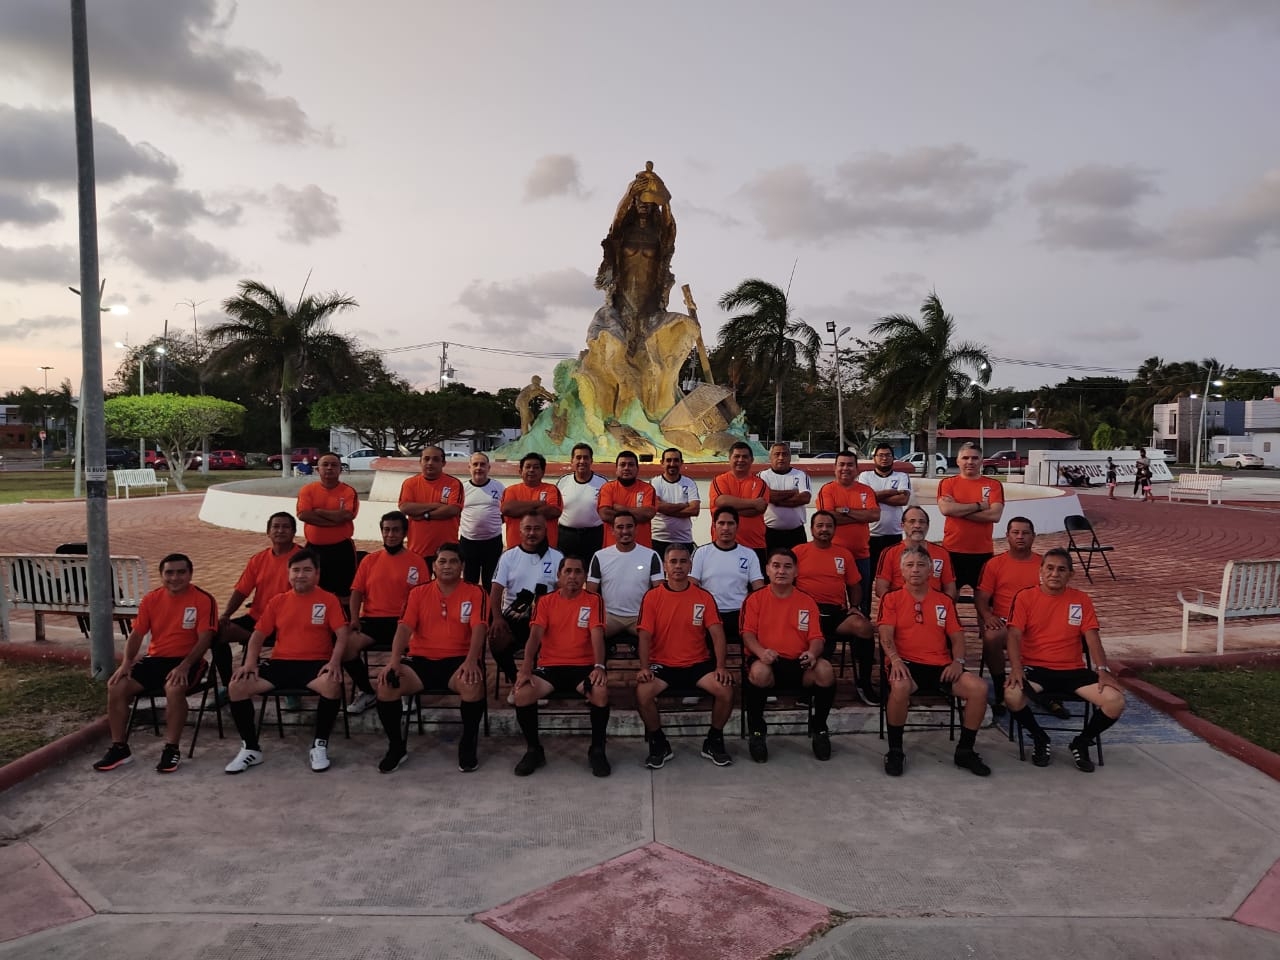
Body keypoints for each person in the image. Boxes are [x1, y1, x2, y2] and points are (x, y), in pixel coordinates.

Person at [223, 549, 351, 774]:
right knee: (237, 687)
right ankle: (251, 749)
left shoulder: (328, 600)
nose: (301, 575)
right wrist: (250, 663)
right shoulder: (277, 601)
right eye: (296, 570)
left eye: (307, 570)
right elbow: (258, 635)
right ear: (289, 574)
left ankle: (319, 745)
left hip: (314, 665)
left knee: (331, 684)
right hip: (280, 664)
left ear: (317, 574)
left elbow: (342, 634)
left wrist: (334, 662)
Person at [1004, 548, 1126, 772]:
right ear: (1040, 571)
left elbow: (1092, 637)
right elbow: (1013, 635)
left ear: (1070, 574)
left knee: (1115, 701)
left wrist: (1102, 669)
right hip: (1037, 669)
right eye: (1049, 568)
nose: (1054, 573)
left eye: (1061, 569)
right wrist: (1015, 667)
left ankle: (1081, 742)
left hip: (1073, 671)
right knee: (1012, 694)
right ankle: (1040, 738)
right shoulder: (1025, 597)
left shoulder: (1081, 599)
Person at [93, 554, 217, 774]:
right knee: (116, 686)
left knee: (175, 687)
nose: (175, 577)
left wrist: (185, 666)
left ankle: (171, 748)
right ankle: (120, 748)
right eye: (169, 572)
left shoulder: (203, 599)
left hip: (188, 660)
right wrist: (126, 664)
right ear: (161, 575)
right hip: (156, 659)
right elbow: (137, 634)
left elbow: (205, 639)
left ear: (190, 574)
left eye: (181, 572)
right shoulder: (151, 599)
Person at [878, 544, 992, 778]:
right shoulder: (891, 599)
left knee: (979, 688)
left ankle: (965, 750)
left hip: (942, 666)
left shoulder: (944, 601)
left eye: (921, 565)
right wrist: (895, 660)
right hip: (907, 663)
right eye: (909, 565)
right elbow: (885, 635)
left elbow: (958, 638)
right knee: (899, 686)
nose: (915, 570)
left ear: (931, 570)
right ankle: (895, 750)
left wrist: (958, 661)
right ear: (902, 571)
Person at [372, 543, 487, 773]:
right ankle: (397, 747)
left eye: (453, 561)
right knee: (386, 685)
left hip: (459, 660)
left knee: (473, 683)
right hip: (420, 662)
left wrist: (472, 660)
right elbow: (404, 629)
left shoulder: (476, 592)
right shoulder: (418, 593)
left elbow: (479, 628)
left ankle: (467, 744)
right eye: (442, 561)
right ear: (434, 566)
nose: (447, 566)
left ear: (462, 566)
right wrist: (394, 660)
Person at [635, 543, 735, 767]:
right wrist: (644, 667)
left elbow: (718, 635)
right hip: (663, 665)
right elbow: (644, 636)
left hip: (697, 664)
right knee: (643, 692)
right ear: (665, 566)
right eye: (673, 561)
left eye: (683, 561)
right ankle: (659, 741)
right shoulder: (652, 597)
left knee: (726, 690)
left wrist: (720, 667)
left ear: (690, 565)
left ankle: (714, 740)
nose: (678, 566)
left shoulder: (704, 597)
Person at [511, 556, 611, 777]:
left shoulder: (594, 600)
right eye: (568, 571)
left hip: (583, 667)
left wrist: (599, 666)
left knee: (600, 693)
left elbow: (597, 635)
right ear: (559, 575)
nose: (573, 576)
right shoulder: (545, 601)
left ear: (585, 577)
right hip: (550, 667)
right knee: (522, 694)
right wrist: (526, 668)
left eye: (578, 572)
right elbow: (535, 636)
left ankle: (597, 749)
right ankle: (534, 750)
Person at [740, 548, 837, 763]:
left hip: (800, 664)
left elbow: (817, 638)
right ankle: (757, 730)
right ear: (767, 570)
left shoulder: (807, 601)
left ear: (796, 572)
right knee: (758, 672)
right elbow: (747, 635)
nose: (781, 571)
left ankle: (819, 727)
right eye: (776, 566)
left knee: (825, 670)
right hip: (768, 662)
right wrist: (761, 652)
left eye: (787, 566)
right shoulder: (754, 599)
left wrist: (812, 653)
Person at [345, 510, 428, 715]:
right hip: (373, 621)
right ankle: (367, 691)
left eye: (396, 530)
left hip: (405, 622)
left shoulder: (416, 561)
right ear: (381, 532)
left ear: (405, 534)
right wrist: (354, 618)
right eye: (387, 530)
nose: (391, 535)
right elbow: (356, 591)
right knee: (346, 648)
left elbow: (425, 596)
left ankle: (408, 691)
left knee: (416, 649)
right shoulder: (369, 561)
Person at [794, 510, 876, 704]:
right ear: (811, 529)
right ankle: (807, 687)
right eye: (820, 526)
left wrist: (855, 606)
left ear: (834, 529)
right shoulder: (798, 552)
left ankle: (864, 683)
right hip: (806, 613)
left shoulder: (843, 554)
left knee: (864, 627)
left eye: (828, 526)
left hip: (834, 612)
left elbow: (854, 585)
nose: (824, 529)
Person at [213, 511, 298, 688]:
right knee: (215, 633)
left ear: (293, 532)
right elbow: (242, 591)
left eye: (285, 527)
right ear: (268, 532)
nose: (280, 530)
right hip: (257, 618)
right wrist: (226, 614)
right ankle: (228, 685)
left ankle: (289, 689)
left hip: (289, 622)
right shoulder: (258, 560)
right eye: (276, 526)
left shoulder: (302, 559)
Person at [975, 517, 1043, 719]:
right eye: (1016, 532)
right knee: (992, 636)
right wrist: (987, 615)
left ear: (1033, 536)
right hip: (1006, 621)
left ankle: (1047, 688)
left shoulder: (1044, 564)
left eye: (1025, 533)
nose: (1020, 537)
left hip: (1037, 624)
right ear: (1008, 535)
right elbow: (981, 597)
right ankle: (1000, 689)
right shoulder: (995, 564)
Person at [488, 513, 564, 685]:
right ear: (520, 531)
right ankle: (517, 679)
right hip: (515, 617)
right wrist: (498, 618)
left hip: (547, 619)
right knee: (496, 640)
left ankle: (541, 679)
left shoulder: (557, 556)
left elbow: (564, 590)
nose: (532, 533)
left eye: (537, 529)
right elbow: (496, 590)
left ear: (545, 531)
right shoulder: (508, 557)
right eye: (527, 528)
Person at [586, 510, 663, 654]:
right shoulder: (600, 556)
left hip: (640, 616)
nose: (625, 531)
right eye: (620, 527)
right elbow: (591, 593)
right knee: (585, 633)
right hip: (609, 616)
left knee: (663, 633)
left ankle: (653, 671)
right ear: (612, 530)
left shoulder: (651, 555)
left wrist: (651, 617)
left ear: (636, 529)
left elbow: (659, 592)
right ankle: (597, 669)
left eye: (629, 526)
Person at [690, 505, 765, 647]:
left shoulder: (749, 554)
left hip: (739, 613)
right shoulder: (701, 553)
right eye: (721, 523)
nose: (726, 528)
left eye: (730, 523)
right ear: (714, 526)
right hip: (709, 613)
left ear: (737, 526)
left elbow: (759, 589)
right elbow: (692, 586)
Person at [814, 450, 881, 607]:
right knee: (836, 598)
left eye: (850, 465)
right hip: (834, 554)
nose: (846, 468)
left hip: (861, 554)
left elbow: (875, 515)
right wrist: (861, 515)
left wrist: (845, 510)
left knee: (862, 597)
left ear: (857, 468)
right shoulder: (827, 490)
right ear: (835, 467)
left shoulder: (866, 490)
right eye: (841, 464)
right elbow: (828, 518)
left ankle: (861, 625)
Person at [937, 442, 1004, 595]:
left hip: (982, 553)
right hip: (952, 551)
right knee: (948, 599)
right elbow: (946, 509)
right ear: (958, 461)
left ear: (981, 461)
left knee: (984, 603)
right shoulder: (948, 483)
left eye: (975, 458)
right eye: (965, 458)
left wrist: (958, 510)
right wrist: (980, 505)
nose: (970, 462)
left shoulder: (993, 485)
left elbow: (995, 515)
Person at [296, 452, 359, 599]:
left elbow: (347, 515)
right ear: (318, 469)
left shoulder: (348, 491)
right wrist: (335, 520)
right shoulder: (308, 490)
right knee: (313, 591)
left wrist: (318, 511)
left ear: (340, 469)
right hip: (314, 549)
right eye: (325, 465)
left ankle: (346, 620)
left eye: (334, 465)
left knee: (345, 592)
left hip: (342, 550)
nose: (329, 468)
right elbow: (303, 515)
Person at [857, 443, 912, 603]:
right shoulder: (865, 476)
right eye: (880, 455)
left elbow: (903, 499)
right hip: (870, 535)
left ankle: (894, 611)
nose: (884, 458)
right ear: (874, 458)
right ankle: (865, 612)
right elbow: (864, 499)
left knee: (895, 578)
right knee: (867, 578)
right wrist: (891, 492)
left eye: (888, 455)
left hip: (893, 536)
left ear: (893, 458)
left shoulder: (901, 476)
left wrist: (875, 496)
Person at [397, 446, 464, 570]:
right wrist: (435, 505)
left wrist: (425, 515)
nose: (430, 463)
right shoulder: (410, 483)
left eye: (435, 459)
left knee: (446, 587)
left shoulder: (454, 483)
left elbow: (453, 510)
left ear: (443, 463)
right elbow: (405, 507)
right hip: (418, 550)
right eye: (426, 459)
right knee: (418, 588)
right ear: (420, 462)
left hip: (447, 551)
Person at [873, 506, 958, 601]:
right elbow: (880, 589)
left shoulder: (942, 553)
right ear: (902, 525)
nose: (917, 525)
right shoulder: (890, 553)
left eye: (922, 522)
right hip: (900, 606)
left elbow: (950, 589)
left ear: (927, 525)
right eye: (912, 521)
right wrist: (898, 605)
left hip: (932, 607)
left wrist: (940, 606)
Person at [709, 441, 770, 568]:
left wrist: (726, 511)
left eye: (745, 457)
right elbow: (721, 501)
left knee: (756, 587)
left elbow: (757, 510)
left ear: (752, 460)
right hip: (723, 546)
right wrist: (752, 503)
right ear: (729, 459)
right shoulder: (719, 480)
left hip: (754, 545)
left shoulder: (760, 483)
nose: (740, 460)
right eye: (736, 456)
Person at [555, 442, 607, 565]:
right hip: (566, 536)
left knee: (592, 572)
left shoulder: (603, 483)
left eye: (586, 457)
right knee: (567, 572)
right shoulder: (563, 481)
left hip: (593, 536)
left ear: (591, 460)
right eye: (578, 457)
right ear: (572, 460)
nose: (582, 461)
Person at [459, 452, 505, 589]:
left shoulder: (499, 487)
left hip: (492, 542)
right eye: (475, 464)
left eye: (482, 464)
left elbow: (506, 511)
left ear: (489, 468)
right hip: (468, 543)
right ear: (469, 467)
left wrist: (492, 524)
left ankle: (489, 610)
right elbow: (455, 512)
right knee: (469, 582)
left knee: (490, 582)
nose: (479, 468)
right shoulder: (462, 489)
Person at [757, 442, 812, 552]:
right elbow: (767, 496)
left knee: (798, 565)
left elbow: (805, 498)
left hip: (796, 533)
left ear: (790, 457)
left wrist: (777, 501)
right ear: (770, 457)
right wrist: (794, 492)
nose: (781, 458)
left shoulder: (800, 475)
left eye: (785, 454)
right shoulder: (762, 476)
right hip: (770, 533)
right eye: (777, 454)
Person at [500, 452, 563, 548]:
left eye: (536, 467)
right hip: (516, 550)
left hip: (547, 550)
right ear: (520, 471)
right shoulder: (511, 490)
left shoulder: (551, 489)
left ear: (543, 472)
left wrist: (519, 509)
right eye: (528, 467)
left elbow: (553, 511)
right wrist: (538, 503)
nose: (531, 470)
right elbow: (507, 509)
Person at [597, 450, 658, 548]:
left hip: (642, 548)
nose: (626, 468)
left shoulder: (647, 489)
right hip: (612, 549)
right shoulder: (607, 488)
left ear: (637, 469)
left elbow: (648, 514)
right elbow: (605, 514)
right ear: (616, 469)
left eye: (631, 465)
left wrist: (621, 509)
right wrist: (636, 514)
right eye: (623, 465)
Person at [650, 447, 700, 557]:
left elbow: (695, 510)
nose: (672, 464)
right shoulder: (655, 482)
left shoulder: (689, 483)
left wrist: (666, 509)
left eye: (676, 460)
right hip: (658, 540)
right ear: (662, 463)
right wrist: (684, 505)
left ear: (681, 463)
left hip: (684, 541)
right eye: (668, 460)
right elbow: (658, 506)